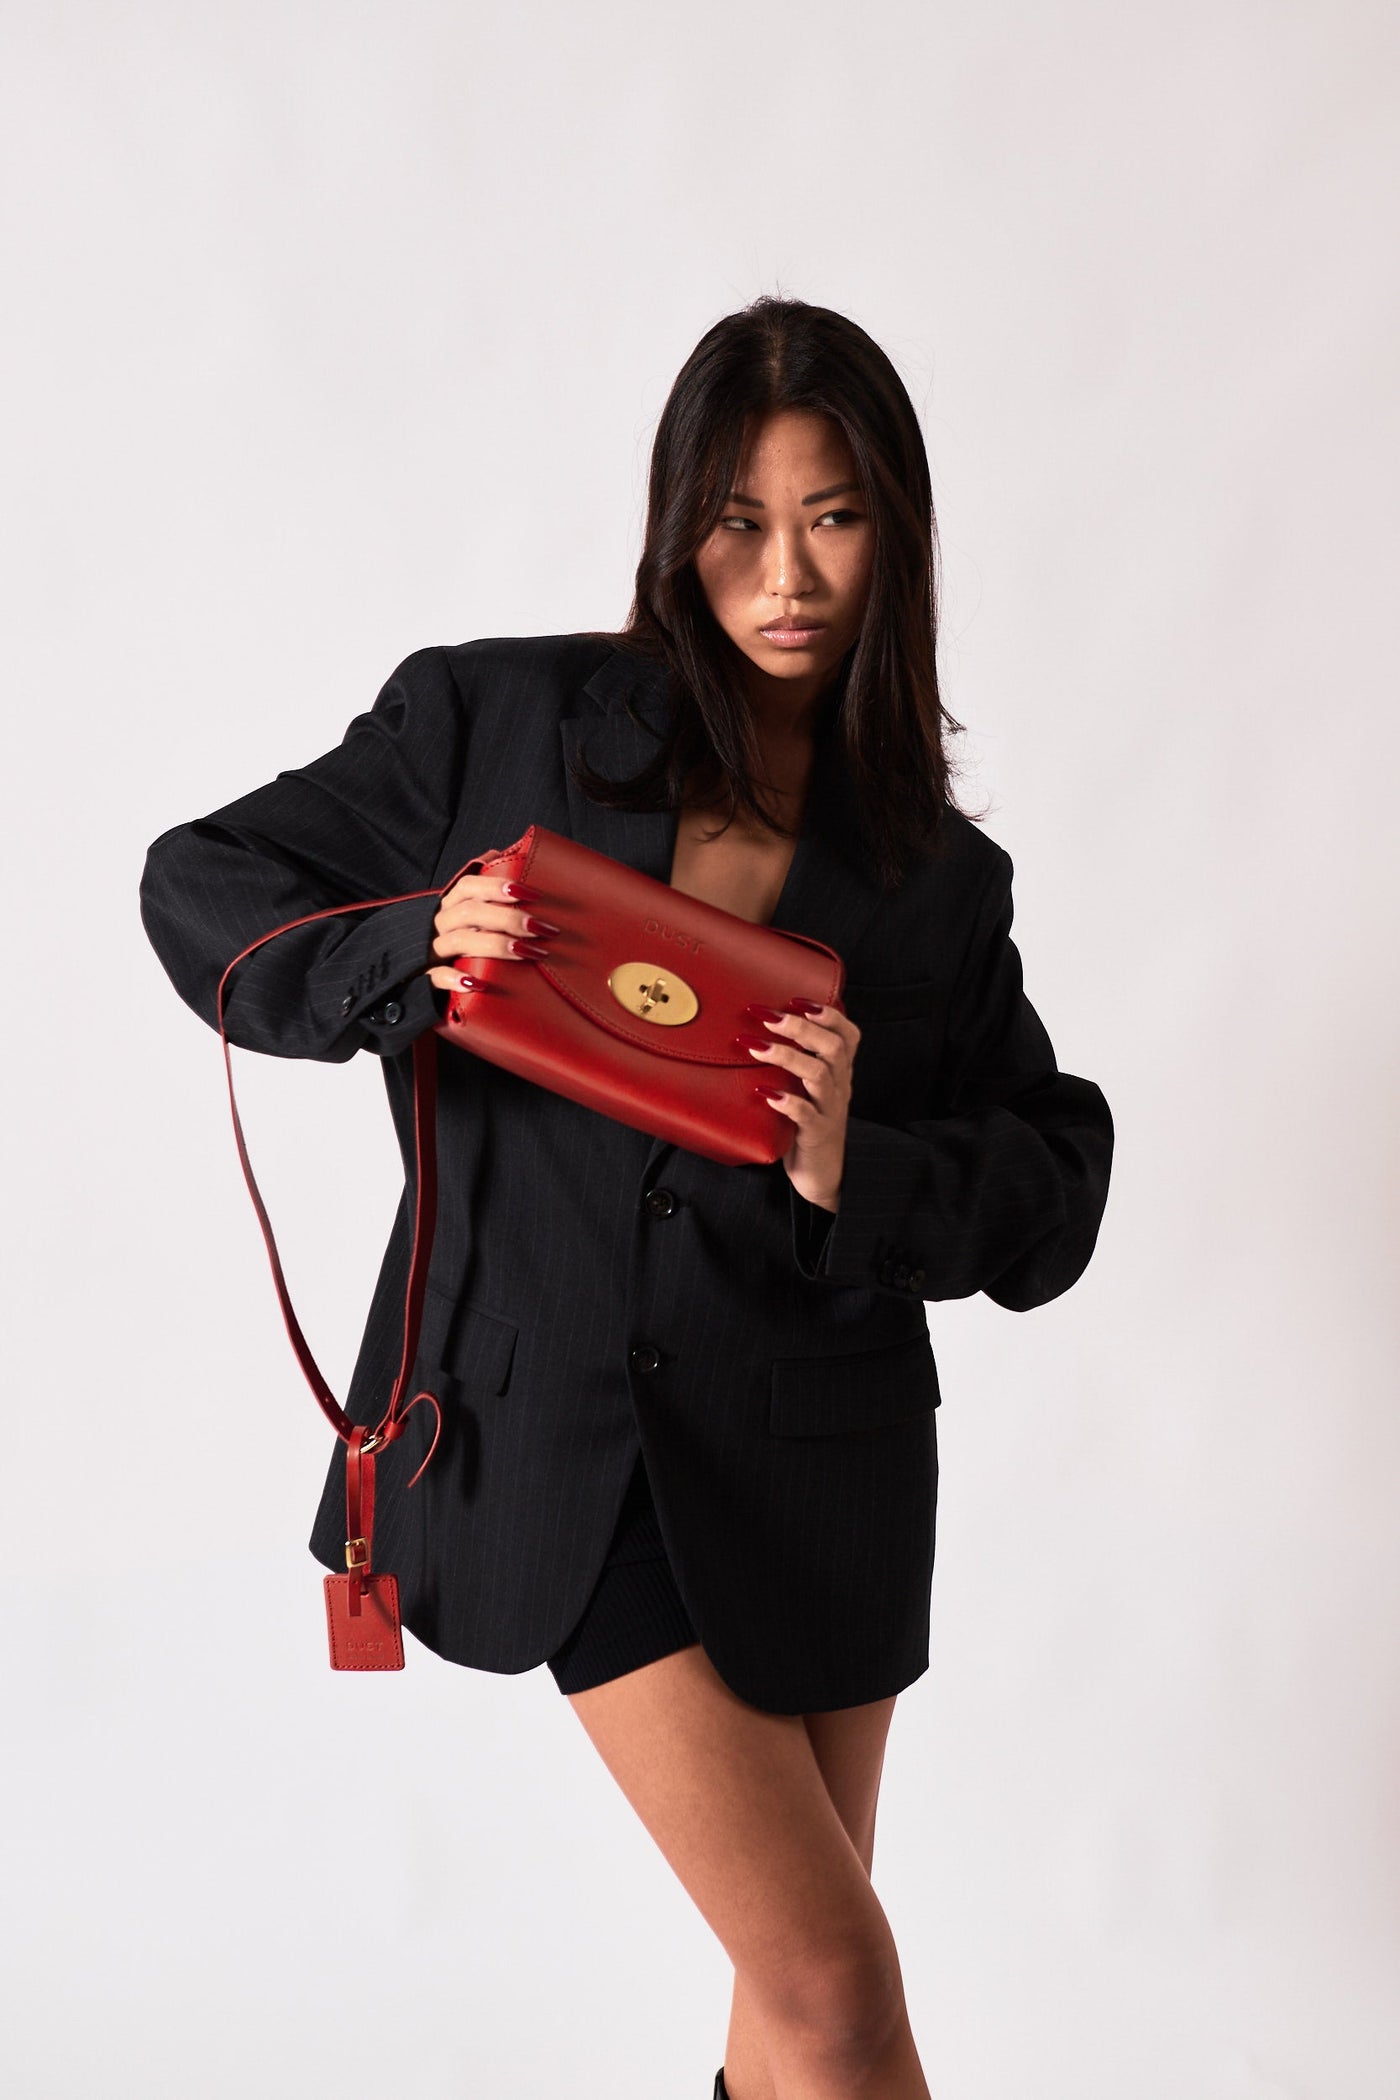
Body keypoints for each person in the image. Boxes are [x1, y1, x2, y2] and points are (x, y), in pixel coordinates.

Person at [140, 294, 1114, 2100]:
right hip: (557, 1445)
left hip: (823, 1465)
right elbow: (200, 886)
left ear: (895, 532)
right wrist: (408, 948)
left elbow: (1057, 1186)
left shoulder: (934, 877)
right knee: (836, 1983)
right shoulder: (492, 723)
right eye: (740, 520)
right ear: (677, 528)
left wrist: (859, 1164)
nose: (787, 574)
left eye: (833, 517)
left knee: (799, 2000)